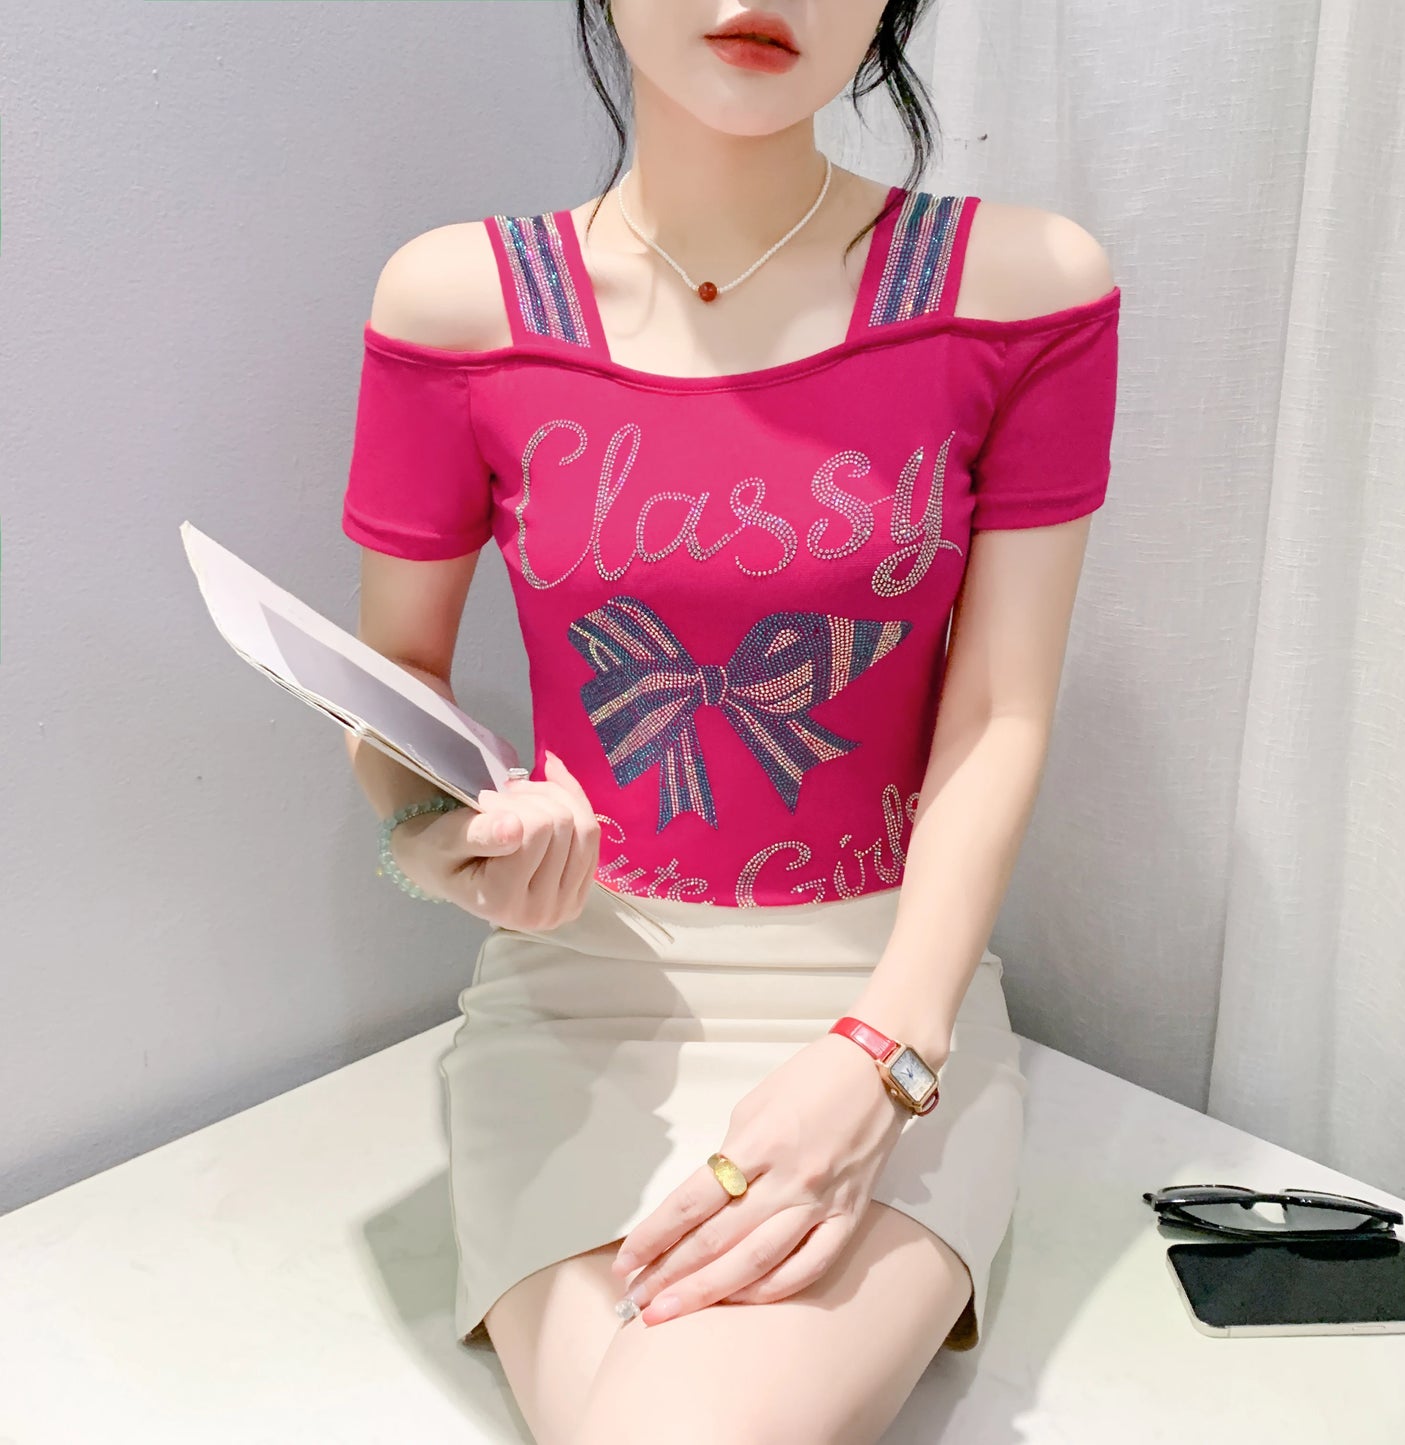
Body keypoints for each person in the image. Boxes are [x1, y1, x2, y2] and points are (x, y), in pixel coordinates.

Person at [340, 1, 1121, 1440]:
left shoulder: (1022, 290)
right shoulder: (457, 305)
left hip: (885, 1000)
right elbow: (394, 684)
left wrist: (883, 1053)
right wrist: (440, 839)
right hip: (573, 1010)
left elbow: (1001, 709)